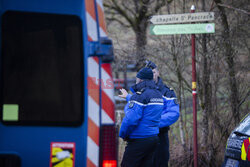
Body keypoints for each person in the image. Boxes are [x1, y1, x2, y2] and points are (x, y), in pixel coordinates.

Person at [119, 67, 164, 167]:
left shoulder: (139, 96)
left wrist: (123, 134)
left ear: (141, 80)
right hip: (153, 139)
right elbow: (146, 104)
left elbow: (130, 120)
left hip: (139, 140)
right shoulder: (158, 94)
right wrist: (128, 97)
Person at [145, 61, 180, 167]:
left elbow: (173, 113)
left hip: (160, 136)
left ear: (158, 73)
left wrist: (154, 122)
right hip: (142, 137)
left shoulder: (167, 92)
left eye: (154, 72)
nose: (152, 75)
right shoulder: (140, 91)